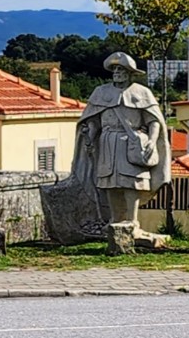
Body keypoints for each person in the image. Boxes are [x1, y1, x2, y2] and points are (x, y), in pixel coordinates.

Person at [73, 52, 171, 247]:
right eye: (115, 69)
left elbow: (153, 121)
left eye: (121, 70)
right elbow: (94, 121)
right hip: (107, 142)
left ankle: (132, 222)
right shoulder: (101, 92)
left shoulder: (142, 93)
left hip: (132, 143)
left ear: (129, 73)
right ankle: (115, 221)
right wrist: (90, 136)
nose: (117, 73)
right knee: (111, 183)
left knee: (132, 183)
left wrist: (151, 141)